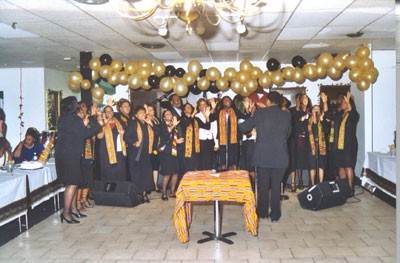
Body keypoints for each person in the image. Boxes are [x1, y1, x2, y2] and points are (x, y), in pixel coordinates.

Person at [239, 91, 291, 222]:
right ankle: (275, 215)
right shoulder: (286, 115)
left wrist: (248, 113)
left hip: (263, 155)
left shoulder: (260, 113)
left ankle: (262, 213)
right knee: (275, 186)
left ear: (268, 101)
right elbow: (288, 134)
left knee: (263, 186)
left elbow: (243, 127)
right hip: (280, 155)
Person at [55, 96, 102, 224]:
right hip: (71, 155)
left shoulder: (62, 119)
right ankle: (66, 213)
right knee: (73, 183)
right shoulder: (74, 119)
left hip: (63, 154)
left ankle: (74, 209)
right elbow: (85, 134)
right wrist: (98, 124)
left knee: (73, 181)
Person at [322, 91, 359, 196]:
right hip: (339, 146)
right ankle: (344, 188)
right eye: (342, 102)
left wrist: (349, 102)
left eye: (344, 102)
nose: (342, 104)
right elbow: (328, 114)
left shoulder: (354, 115)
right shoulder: (339, 115)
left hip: (349, 146)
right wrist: (325, 102)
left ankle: (350, 189)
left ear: (348, 104)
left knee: (348, 166)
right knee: (341, 167)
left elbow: (352, 114)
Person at [124, 106, 155, 203]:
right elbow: (126, 136)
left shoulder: (147, 123)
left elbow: (156, 133)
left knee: (146, 174)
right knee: (137, 175)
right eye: (140, 113)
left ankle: (144, 194)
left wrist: (152, 125)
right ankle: (138, 194)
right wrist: (134, 143)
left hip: (146, 153)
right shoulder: (133, 123)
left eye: (144, 113)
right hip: (136, 154)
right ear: (136, 115)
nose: (143, 114)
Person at [298, 104, 329, 186]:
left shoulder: (322, 120)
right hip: (310, 147)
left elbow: (326, 130)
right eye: (314, 109)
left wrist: (322, 120)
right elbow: (301, 129)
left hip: (321, 147)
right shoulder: (308, 121)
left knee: (321, 166)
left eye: (318, 109)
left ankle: (321, 184)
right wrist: (303, 119)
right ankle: (312, 184)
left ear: (320, 111)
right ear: (311, 111)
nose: (316, 111)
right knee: (312, 166)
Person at [158, 109, 184, 200]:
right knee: (167, 173)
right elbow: (166, 134)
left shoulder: (174, 125)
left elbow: (173, 138)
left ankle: (172, 192)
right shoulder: (162, 125)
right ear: (164, 117)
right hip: (165, 152)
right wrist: (174, 125)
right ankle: (163, 193)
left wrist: (178, 141)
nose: (169, 115)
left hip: (174, 151)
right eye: (167, 114)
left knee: (176, 172)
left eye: (170, 114)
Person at [96, 106, 127, 181]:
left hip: (118, 151)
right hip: (106, 151)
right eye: (107, 111)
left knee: (120, 172)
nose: (109, 112)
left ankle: (119, 191)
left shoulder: (119, 121)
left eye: (111, 111)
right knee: (108, 173)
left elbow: (126, 134)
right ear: (104, 113)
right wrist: (104, 124)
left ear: (113, 112)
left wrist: (123, 133)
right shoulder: (101, 122)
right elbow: (99, 136)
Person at [76, 101, 95, 211]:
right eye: (81, 106)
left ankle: (84, 198)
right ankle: (78, 202)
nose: (83, 108)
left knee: (89, 178)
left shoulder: (89, 120)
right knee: (81, 179)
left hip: (90, 153)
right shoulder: (77, 121)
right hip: (80, 153)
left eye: (84, 106)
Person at [216, 96, 240, 171]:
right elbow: (210, 118)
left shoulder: (235, 111)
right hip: (223, 139)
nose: (227, 101)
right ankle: (224, 177)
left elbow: (244, 116)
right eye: (225, 100)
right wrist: (213, 109)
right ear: (222, 103)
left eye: (228, 100)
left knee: (234, 161)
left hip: (234, 139)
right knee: (223, 160)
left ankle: (234, 178)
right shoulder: (219, 112)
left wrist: (248, 110)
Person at [195, 98, 217, 170]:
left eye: (205, 104)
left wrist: (216, 143)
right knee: (203, 162)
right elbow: (206, 127)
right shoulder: (197, 117)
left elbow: (215, 129)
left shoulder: (211, 115)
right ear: (199, 107)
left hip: (210, 141)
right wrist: (208, 116)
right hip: (202, 141)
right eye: (201, 104)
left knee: (211, 162)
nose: (203, 106)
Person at [145, 104, 161, 193]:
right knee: (148, 166)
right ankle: (148, 186)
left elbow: (159, 131)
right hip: (148, 146)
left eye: (152, 110)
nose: (152, 111)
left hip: (156, 145)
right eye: (149, 110)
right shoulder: (145, 120)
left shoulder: (157, 119)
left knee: (155, 166)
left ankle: (155, 185)